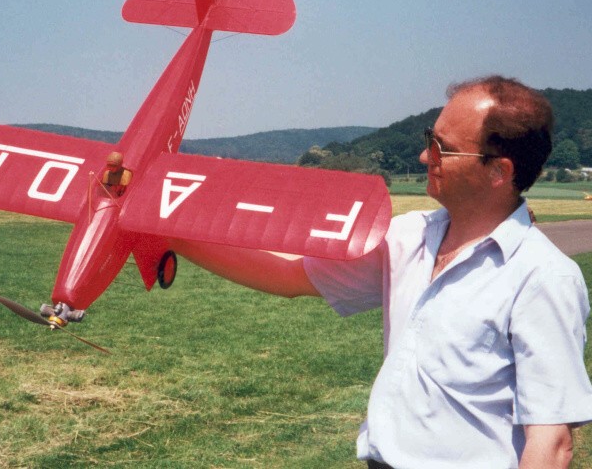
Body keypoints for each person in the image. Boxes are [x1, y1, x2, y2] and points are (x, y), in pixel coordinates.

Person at [195, 76, 592, 468]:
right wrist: (167, 234)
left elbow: (551, 443)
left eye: (441, 149)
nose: (424, 157)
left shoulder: (544, 278)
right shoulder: (407, 237)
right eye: (428, 140)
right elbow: (289, 275)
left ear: (498, 172)